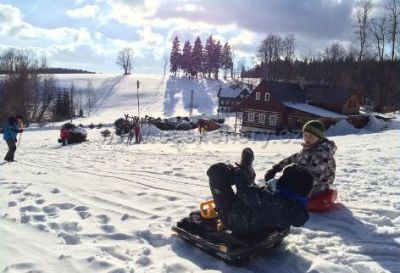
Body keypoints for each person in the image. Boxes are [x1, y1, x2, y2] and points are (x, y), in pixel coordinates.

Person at [207, 148, 313, 234]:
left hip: (235, 220)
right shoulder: (293, 205)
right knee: (255, 194)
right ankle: (246, 172)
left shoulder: (274, 200)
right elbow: (258, 196)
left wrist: (239, 173)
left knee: (216, 171)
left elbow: (245, 193)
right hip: (257, 219)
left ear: (287, 186)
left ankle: (244, 171)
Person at [264, 120, 337, 197]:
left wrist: (290, 181)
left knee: (284, 184)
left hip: (317, 187)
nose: (307, 138)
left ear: (319, 137)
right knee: (289, 172)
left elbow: (314, 177)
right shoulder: (310, 148)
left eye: (311, 136)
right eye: (305, 135)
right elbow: (294, 158)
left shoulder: (322, 154)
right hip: (303, 180)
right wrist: (276, 168)